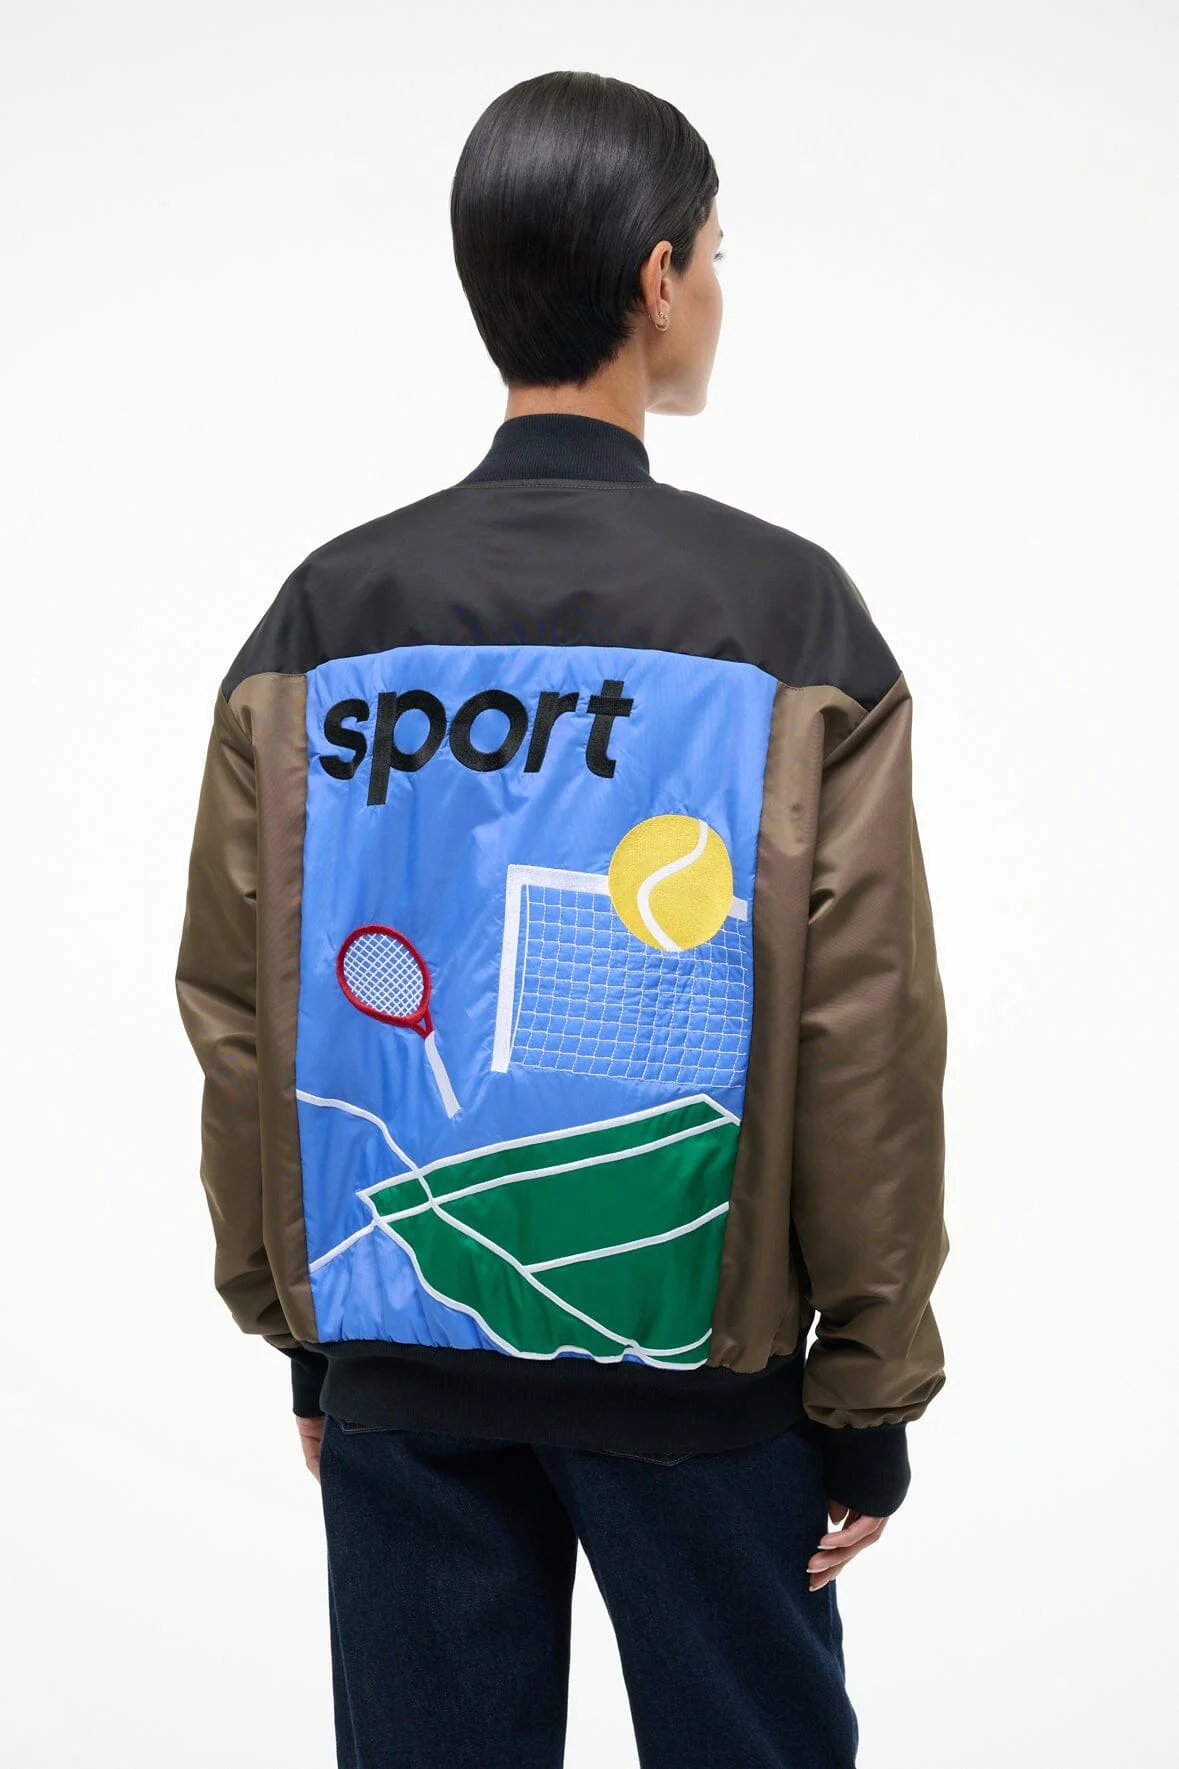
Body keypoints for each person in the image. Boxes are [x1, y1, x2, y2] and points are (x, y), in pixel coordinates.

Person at [175, 68, 949, 1769]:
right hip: (706, 1389)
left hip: (397, 1362)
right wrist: (867, 1387)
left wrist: (307, 1338)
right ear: (657, 277)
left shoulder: (324, 614)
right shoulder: (785, 614)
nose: (717, 289)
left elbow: (242, 1009)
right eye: (717, 255)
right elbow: (863, 1037)